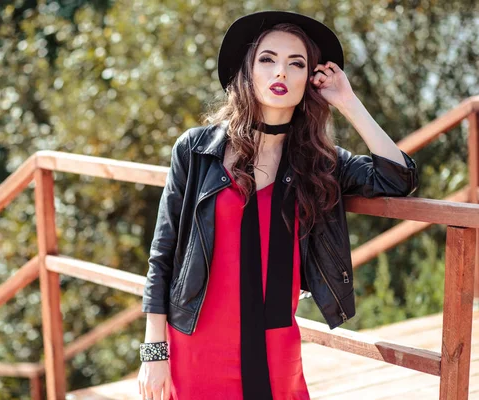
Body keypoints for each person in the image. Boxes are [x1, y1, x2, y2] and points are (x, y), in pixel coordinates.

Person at [137, 10, 418, 400]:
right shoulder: (197, 150)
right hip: (197, 344)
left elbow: (397, 177)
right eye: (267, 60)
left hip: (276, 347)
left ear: (310, 79)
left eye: (296, 64)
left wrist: (348, 101)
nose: (280, 73)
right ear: (247, 71)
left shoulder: (319, 163)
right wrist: (154, 353)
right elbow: (162, 256)